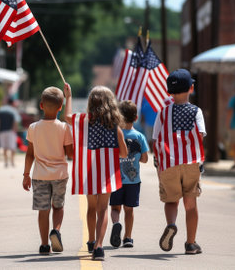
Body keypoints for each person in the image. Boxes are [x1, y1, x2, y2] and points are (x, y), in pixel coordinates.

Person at [64, 84, 128, 261]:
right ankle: (99, 247)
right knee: (103, 210)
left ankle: (91, 240)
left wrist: (68, 96)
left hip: (88, 174)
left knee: (91, 208)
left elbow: (67, 116)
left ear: (91, 103)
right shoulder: (115, 127)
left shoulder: (83, 121)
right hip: (107, 174)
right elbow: (123, 154)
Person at [152, 69, 206, 255]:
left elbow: (155, 139)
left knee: (171, 200)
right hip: (191, 161)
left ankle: (171, 225)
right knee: (190, 204)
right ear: (191, 88)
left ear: (169, 91)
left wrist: (158, 162)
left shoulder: (162, 113)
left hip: (168, 163)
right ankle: (191, 244)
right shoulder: (196, 111)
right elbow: (200, 134)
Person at [22, 86, 73, 255]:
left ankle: (44, 245)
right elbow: (70, 153)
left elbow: (30, 154)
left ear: (41, 105)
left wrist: (26, 175)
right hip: (59, 175)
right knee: (58, 207)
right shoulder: (65, 128)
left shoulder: (33, 128)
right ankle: (56, 231)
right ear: (61, 108)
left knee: (43, 210)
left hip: (39, 176)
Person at [109, 100, 149, 248]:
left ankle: (116, 223)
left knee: (115, 208)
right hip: (133, 181)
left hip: (115, 180)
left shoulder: (114, 135)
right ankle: (127, 237)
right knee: (129, 210)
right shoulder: (139, 136)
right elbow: (145, 159)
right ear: (136, 118)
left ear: (118, 117)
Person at [0, 99, 21, 167]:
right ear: (12, 103)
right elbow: (15, 121)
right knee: (12, 147)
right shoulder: (13, 110)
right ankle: (12, 161)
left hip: (2, 130)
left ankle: (6, 162)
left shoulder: (0, 110)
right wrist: (15, 130)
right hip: (11, 131)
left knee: (5, 147)